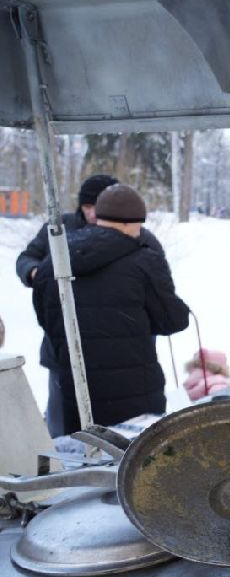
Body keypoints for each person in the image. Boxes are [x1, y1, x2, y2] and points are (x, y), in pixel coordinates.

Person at [31, 184, 190, 436]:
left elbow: (45, 316)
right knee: (136, 467)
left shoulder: (57, 258)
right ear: (133, 222)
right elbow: (173, 320)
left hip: (78, 395)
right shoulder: (144, 260)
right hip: (135, 396)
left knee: (88, 466)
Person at [15, 174, 164, 286]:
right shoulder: (59, 226)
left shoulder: (136, 234)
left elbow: (159, 277)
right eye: (87, 207)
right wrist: (34, 272)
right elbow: (27, 258)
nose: (92, 214)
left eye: (97, 206)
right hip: (63, 315)